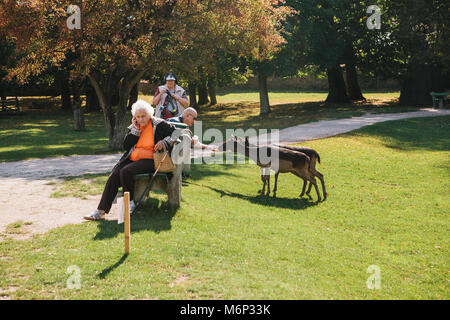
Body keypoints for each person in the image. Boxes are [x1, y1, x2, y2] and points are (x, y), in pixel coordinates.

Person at [84, 100, 177, 221]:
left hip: (151, 160)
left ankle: (130, 204)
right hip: (132, 159)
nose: (140, 119)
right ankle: (100, 211)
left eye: (143, 116)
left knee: (126, 171)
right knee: (114, 175)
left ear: (150, 114)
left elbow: (178, 134)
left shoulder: (160, 124)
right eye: (137, 117)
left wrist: (164, 141)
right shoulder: (134, 127)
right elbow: (126, 146)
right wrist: (135, 130)